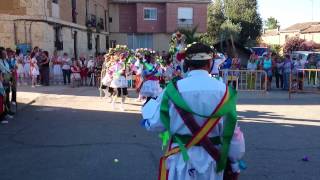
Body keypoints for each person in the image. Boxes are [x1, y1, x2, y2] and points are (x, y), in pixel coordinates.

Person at [142, 42, 245, 180]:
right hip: (212, 163)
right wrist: (234, 161)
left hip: (180, 161)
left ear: (187, 64)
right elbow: (232, 133)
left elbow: (155, 124)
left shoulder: (172, 90)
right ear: (210, 63)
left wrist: (147, 108)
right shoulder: (225, 91)